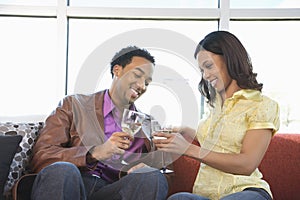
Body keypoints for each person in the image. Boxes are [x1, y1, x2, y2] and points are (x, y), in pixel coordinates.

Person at [153, 31, 280, 200]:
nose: (205, 75)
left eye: (209, 66)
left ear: (229, 59)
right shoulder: (215, 107)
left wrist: (188, 148)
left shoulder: (261, 105)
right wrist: (185, 131)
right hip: (206, 195)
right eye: (202, 70)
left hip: (246, 191)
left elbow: (247, 164)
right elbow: (220, 140)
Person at [29, 46, 169, 200]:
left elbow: (166, 175)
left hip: (119, 191)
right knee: (61, 170)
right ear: (117, 70)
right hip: (73, 184)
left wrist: (147, 168)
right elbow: (42, 156)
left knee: (152, 177)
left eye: (147, 83)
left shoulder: (149, 125)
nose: (142, 86)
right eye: (137, 75)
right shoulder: (73, 105)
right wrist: (93, 153)